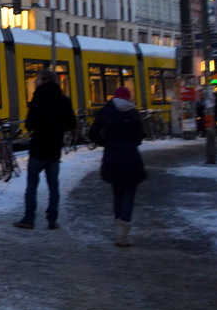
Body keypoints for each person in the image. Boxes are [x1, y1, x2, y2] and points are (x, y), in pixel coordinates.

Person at [15, 70, 76, 230]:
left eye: (37, 80)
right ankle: (52, 220)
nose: (36, 82)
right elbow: (71, 123)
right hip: (54, 148)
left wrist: (41, 126)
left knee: (32, 185)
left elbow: (29, 124)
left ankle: (29, 219)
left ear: (43, 81)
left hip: (38, 148)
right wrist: (57, 128)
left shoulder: (38, 98)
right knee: (53, 186)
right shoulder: (63, 99)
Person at [89, 85, 147, 247]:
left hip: (112, 157)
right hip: (130, 158)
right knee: (129, 195)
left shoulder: (106, 111)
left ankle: (118, 231)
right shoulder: (132, 112)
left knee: (117, 194)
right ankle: (123, 235)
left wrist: (106, 143)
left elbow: (92, 133)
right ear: (128, 98)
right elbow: (138, 139)